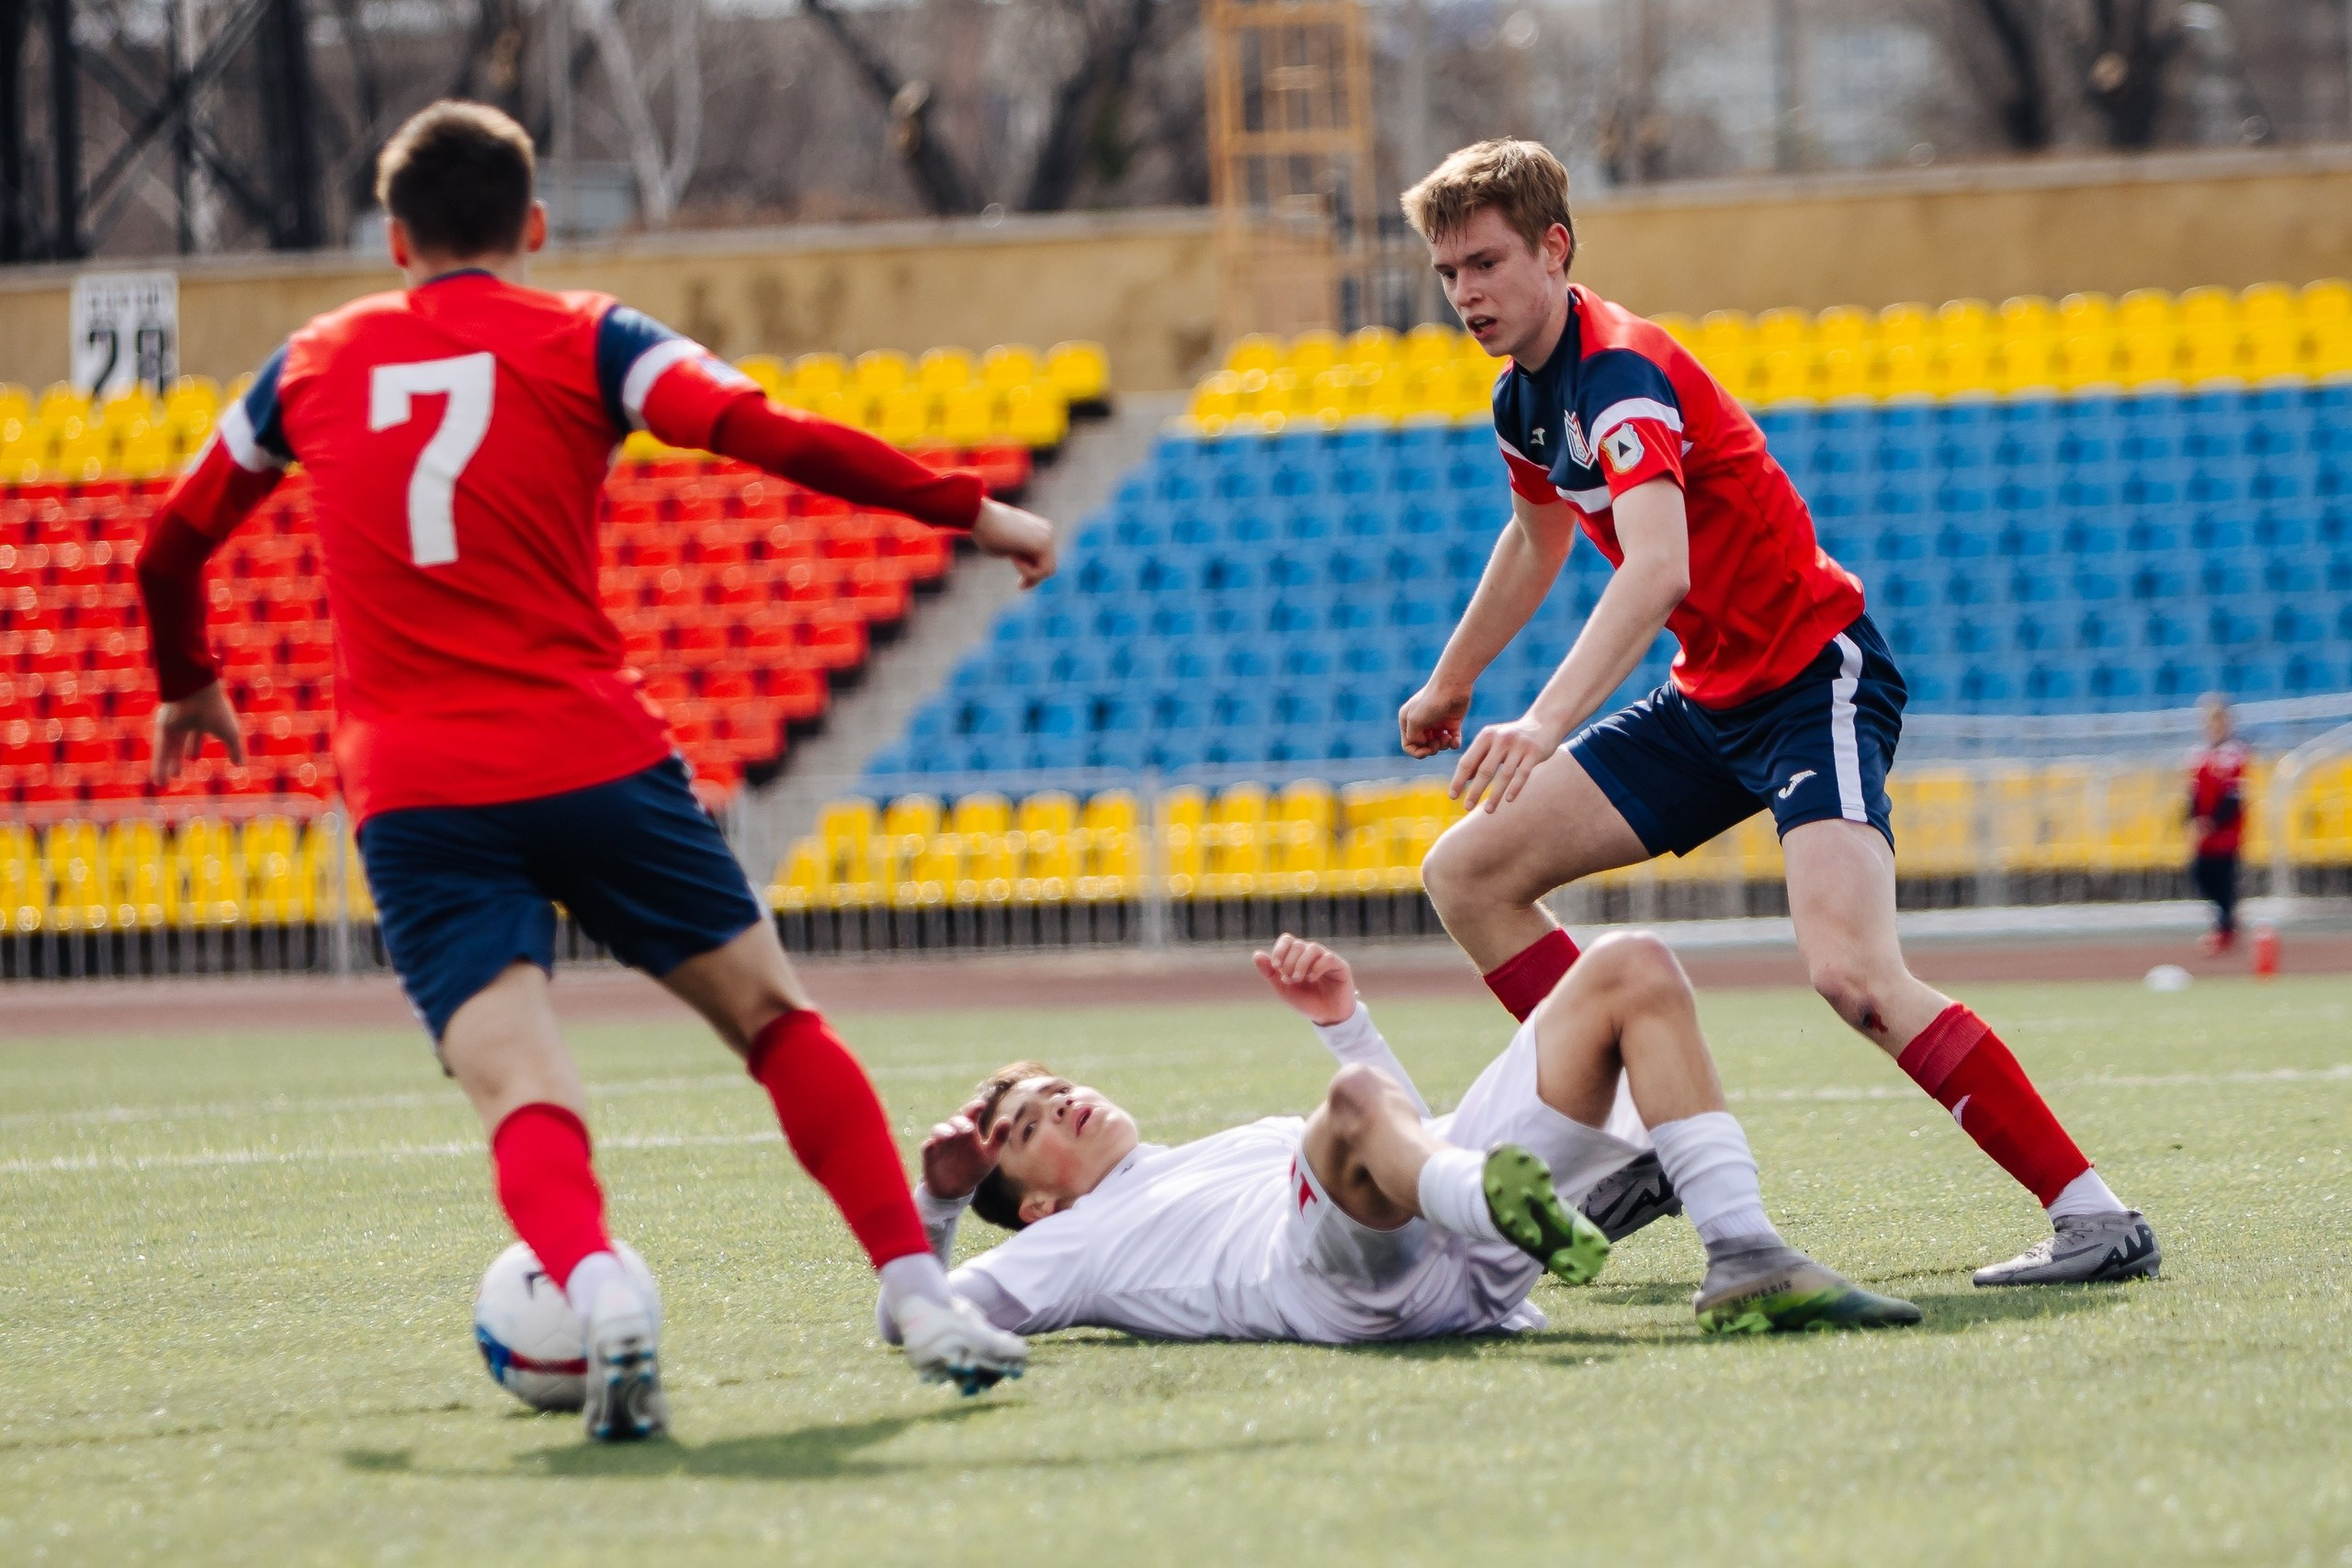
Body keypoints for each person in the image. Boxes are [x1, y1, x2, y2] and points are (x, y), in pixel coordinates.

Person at [134, 101, 1043, 1441]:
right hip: (592, 752)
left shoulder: (307, 364)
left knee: (519, 1081)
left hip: (418, 787)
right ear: (535, 225)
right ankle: (916, 1290)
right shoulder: (590, 334)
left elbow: (165, 543)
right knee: (774, 1017)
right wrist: (966, 504)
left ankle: (603, 1280)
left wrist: (186, 677)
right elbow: (768, 431)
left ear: (394, 238)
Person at [1389, 139, 2159, 1289]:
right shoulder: (1522, 399)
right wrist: (1452, 680)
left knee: (1852, 975)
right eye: (1448, 273)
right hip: (1708, 699)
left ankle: (2097, 1219)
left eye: (1486, 264)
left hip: (1814, 679)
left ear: (1555, 249)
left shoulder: (1620, 372)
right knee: (1467, 875)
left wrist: (1539, 720)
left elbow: (1653, 568)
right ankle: (1640, 1149)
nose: (1466, 295)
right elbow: (1537, 535)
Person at [892, 932, 1918, 1346]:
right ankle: (1509, 1215)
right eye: (1026, 1129)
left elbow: (1411, 1142)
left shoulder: (1230, 1143)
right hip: (1341, 1290)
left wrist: (1344, 1018)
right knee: (1346, 1110)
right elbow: (914, 1322)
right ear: (1032, 1204)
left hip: (1439, 1227)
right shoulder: (1057, 1250)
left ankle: (1741, 1255)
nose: (1061, 1104)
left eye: (1054, 1089)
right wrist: (939, 1208)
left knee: (1631, 965)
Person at [2187, 695, 2247, 956]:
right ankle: (2226, 923)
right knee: (2200, 874)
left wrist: (2213, 823)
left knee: (2224, 879)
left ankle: (2225, 929)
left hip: (2225, 833)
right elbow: (2193, 794)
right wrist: (2192, 821)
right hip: (2204, 833)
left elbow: (2235, 797)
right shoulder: (2199, 756)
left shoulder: (2235, 755)